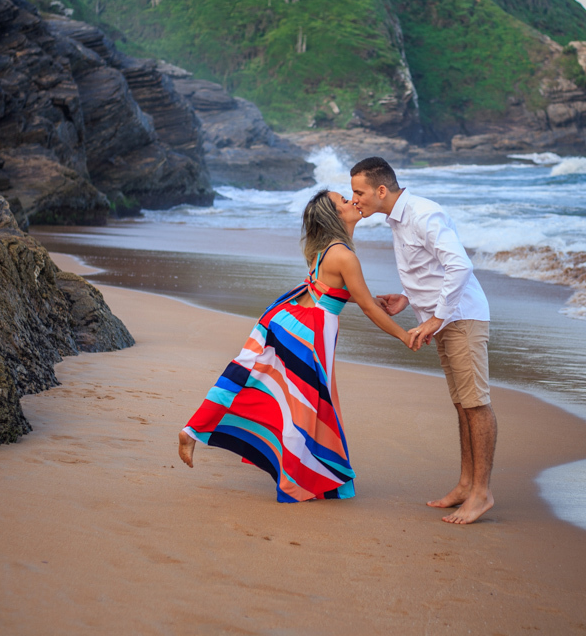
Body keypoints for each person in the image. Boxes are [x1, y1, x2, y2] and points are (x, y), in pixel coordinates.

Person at [177, 190, 413, 502]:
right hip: (308, 333)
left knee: (253, 380)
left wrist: (374, 300)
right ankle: (295, 480)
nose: (352, 201)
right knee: (302, 406)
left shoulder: (326, 249)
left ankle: (196, 430)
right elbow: (367, 308)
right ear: (334, 215)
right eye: (344, 200)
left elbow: (333, 292)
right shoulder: (343, 255)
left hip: (293, 322)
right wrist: (404, 335)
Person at [350, 156, 496, 525]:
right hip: (445, 320)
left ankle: (482, 493)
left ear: (381, 190)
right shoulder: (399, 218)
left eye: (359, 192)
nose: (355, 200)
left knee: (476, 404)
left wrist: (435, 317)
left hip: (461, 317)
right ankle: (466, 485)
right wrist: (408, 298)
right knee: (462, 405)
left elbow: (460, 266)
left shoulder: (423, 213)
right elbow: (430, 269)